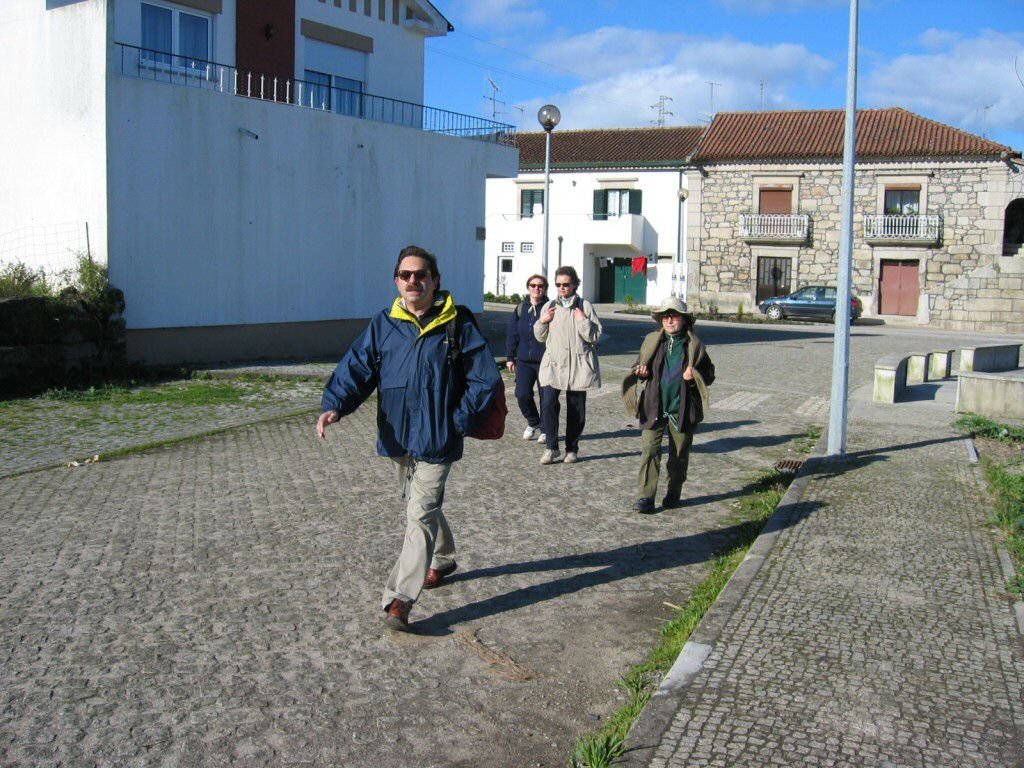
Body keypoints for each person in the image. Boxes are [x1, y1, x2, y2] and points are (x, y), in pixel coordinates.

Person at [316, 245, 502, 632]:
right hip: (397, 433)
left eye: (421, 274)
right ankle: (443, 558)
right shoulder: (384, 323)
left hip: (440, 436)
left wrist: (458, 420)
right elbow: (357, 367)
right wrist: (336, 405)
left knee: (419, 513)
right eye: (406, 275)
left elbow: (485, 378)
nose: (413, 280)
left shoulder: (457, 324)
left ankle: (399, 599)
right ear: (396, 282)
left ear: (435, 281)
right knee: (420, 504)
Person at [621, 297, 715, 513]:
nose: (669, 320)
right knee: (649, 451)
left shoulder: (695, 345)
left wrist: (694, 375)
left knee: (679, 455)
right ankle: (645, 497)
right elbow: (638, 365)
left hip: (682, 407)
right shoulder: (652, 341)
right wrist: (641, 372)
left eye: (674, 316)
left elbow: (709, 374)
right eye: (665, 316)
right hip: (654, 405)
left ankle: (673, 491)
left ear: (684, 320)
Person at [533, 265, 602, 465]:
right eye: (558, 284)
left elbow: (595, 336)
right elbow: (540, 337)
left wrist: (582, 321)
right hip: (554, 364)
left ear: (574, 285)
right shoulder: (549, 306)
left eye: (566, 284)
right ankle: (551, 447)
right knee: (548, 404)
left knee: (576, 409)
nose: (562, 288)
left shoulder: (584, 306)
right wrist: (542, 321)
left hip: (578, 364)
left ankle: (572, 448)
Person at [504, 274, 549, 442]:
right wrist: (510, 357)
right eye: (533, 285)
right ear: (528, 288)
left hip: (546, 361)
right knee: (522, 394)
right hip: (524, 360)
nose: (536, 288)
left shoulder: (550, 308)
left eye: (540, 286)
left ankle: (546, 429)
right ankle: (533, 421)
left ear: (545, 289)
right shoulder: (521, 308)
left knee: (547, 398)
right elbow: (512, 333)